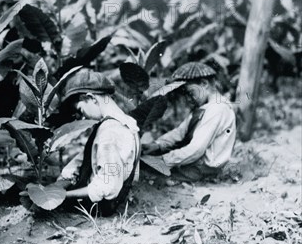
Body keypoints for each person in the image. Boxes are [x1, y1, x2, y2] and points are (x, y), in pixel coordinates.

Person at [52, 69, 141, 216]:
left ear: (91, 98)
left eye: (81, 110)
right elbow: (86, 157)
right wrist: (62, 180)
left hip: (99, 208)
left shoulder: (110, 133)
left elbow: (106, 188)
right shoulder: (125, 122)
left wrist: (62, 196)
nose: (82, 117)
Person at [142, 62, 236, 182]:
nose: (188, 99)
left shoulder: (218, 109)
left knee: (151, 176)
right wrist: (156, 145)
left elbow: (196, 150)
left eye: (190, 93)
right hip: (196, 164)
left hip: (202, 169)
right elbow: (180, 133)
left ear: (204, 84)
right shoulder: (205, 107)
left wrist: (161, 161)